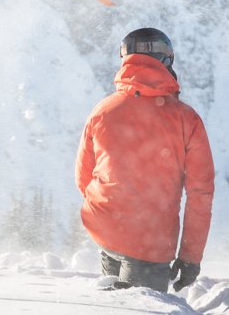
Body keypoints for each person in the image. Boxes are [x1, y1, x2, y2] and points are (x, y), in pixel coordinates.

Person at [75, 27, 215, 293]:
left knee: (113, 306)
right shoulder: (186, 119)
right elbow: (200, 193)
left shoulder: (103, 110)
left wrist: (113, 211)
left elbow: (83, 177)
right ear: (167, 61)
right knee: (140, 306)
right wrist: (190, 257)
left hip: (105, 229)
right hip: (150, 243)